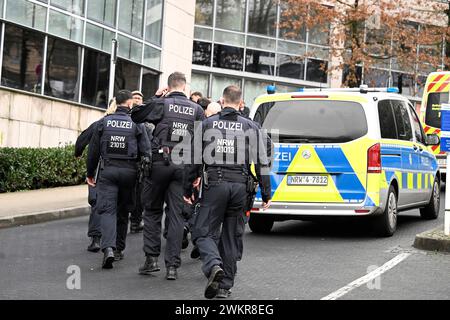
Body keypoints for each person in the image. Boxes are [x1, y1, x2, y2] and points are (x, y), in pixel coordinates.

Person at [183, 85, 272, 299]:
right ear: (240, 104)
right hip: (241, 187)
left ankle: (213, 265)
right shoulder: (251, 126)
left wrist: (188, 187)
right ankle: (224, 287)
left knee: (202, 231)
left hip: (215, 184)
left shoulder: (206, 124)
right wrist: (266, 193)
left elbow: (192, 158)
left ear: (222, 101)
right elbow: (262, 162)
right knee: (231, 237)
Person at [131, 72, 205, 280]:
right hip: (183, 167)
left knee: (153, 211)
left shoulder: (162, 104)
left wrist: (156, 97)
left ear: (168, 86)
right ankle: (172, 266)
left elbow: (135, 115)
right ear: (184, 87)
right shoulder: (197, 109)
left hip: (158, 164)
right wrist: (197, 174)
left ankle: (151, 260)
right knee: (176, 216)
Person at [86, 90, 151, 269]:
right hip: (129, 173)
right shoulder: (138, 124)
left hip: (108, 171)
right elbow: (146, 152)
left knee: (107, 211)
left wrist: (90, 174)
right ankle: (119, 250)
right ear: (130, 104)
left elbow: (93, 152)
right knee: (123, 212)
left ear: (116, 103)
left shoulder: (103, 122)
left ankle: (108, 248)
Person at [75, 98, 118, 253]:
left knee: (97, 203)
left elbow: (81, 141)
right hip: (123, 171)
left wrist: (78, 154)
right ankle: (113, 245)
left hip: (100, 169)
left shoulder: (100, 123)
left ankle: (96, 239)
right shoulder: (131, 124)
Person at [129, 90, 146, 234]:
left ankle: (135, 221)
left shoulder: (146, 118)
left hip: (139, 164)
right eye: (134, 98)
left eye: (139, 98)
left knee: (139, 196)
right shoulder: (124, 115)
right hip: (127, 162)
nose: (136, 100)